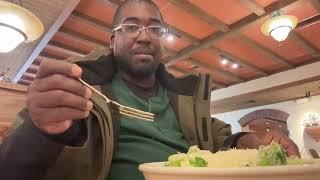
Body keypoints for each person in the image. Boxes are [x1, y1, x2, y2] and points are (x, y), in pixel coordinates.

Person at [0, 0, 300, 180]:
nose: (145, 36)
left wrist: (255, 141)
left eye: (155, 28)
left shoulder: (184, 98)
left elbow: (220, 136)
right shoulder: (81, 86)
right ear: (112, 40)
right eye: (131, 27)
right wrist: (41, 132)